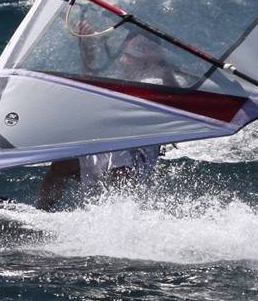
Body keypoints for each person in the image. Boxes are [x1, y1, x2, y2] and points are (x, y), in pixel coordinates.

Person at [38, 30, 185, 209]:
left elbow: (181, 104)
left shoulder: (159, 79)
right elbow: (91, 90)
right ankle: (42, 210)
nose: (122, 60)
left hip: (134, 147)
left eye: (129, 56)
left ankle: (117, 215)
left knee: (119, 161)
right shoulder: (124, 76)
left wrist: (166, 74)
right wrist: (88, 50)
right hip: (106, 138)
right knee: (62, 163)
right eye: (124, 54)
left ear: (148, 59)